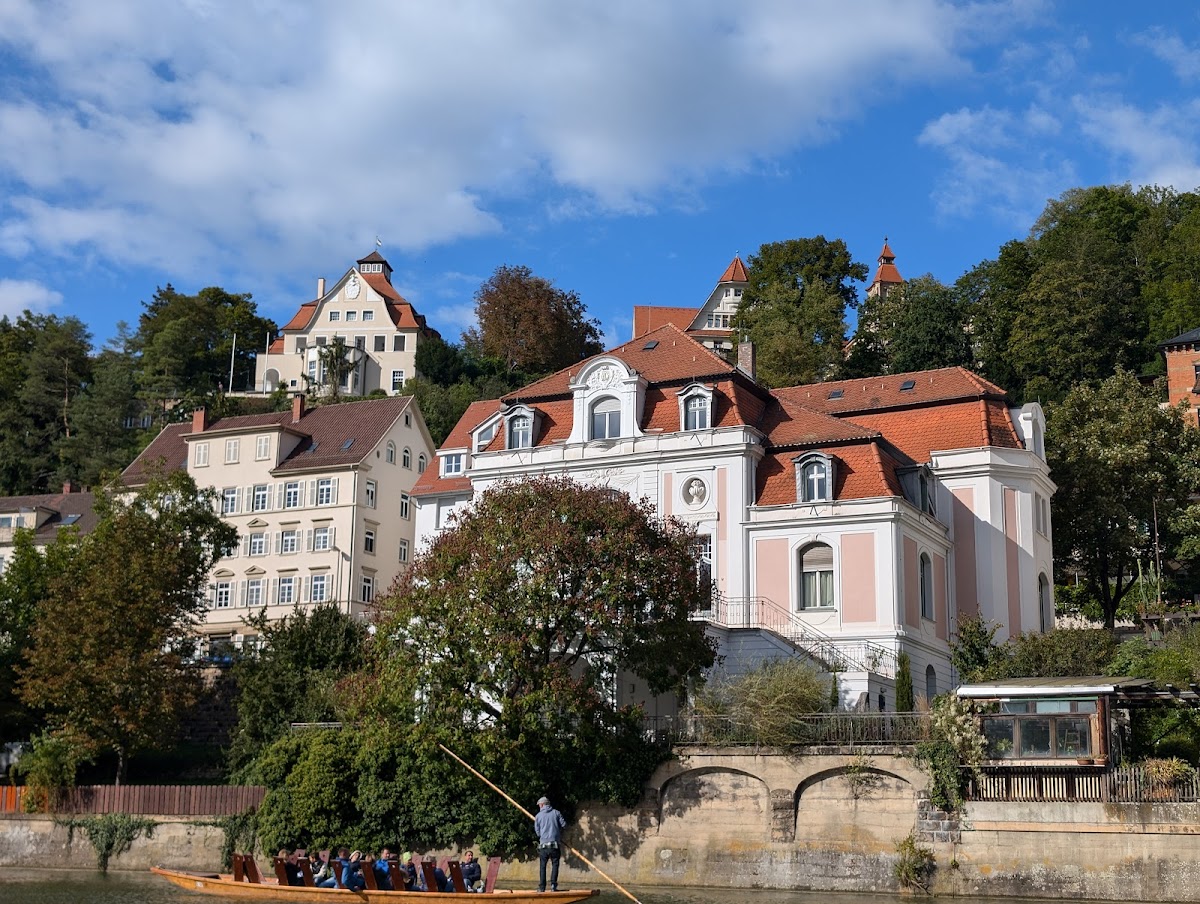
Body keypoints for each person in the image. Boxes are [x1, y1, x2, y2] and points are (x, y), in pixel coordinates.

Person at [534, 795, 567, 893]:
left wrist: (543, 836)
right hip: (554, 844)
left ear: (543, 805)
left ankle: (542, 887)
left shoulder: (538, 816)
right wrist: (556, 831)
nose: (539, 807)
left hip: (543, 845)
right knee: (555, 864)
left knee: (542, 866)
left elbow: (537, 832)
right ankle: (553, 886)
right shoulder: (556, 813)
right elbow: (564, 825)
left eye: (539, 805)